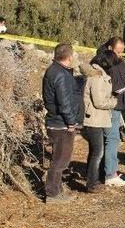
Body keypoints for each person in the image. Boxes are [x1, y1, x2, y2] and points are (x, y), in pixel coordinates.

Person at [42, 43, 82, 203]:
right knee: (60, 161)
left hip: (56, 121)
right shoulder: (60, 74)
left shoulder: (54, 70)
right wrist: (71, 122)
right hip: (60, 123)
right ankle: (52, 194)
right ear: (70, 57)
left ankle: (57, 190)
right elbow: (64, 102)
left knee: (59, 159)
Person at [82, 50, 118, 193]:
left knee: (94, 151)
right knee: (97, 152)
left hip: (97, 118)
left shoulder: (97, 74)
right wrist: (113, 101)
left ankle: (93, 179)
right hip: (94, 118)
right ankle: (91, 183)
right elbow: (99, 101)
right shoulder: (96, 77)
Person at [101, 37, 125, 185]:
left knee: (113, 139)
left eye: (122, 52)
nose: (120, 55)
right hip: (112, 105)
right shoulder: (106, 62)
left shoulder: (118, 61)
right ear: (109, 48)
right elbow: (113, 85)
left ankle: (111, 170)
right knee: (112, 139)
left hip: (118, 104)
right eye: (118, 51)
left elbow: (121, 74)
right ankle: (110, 174)